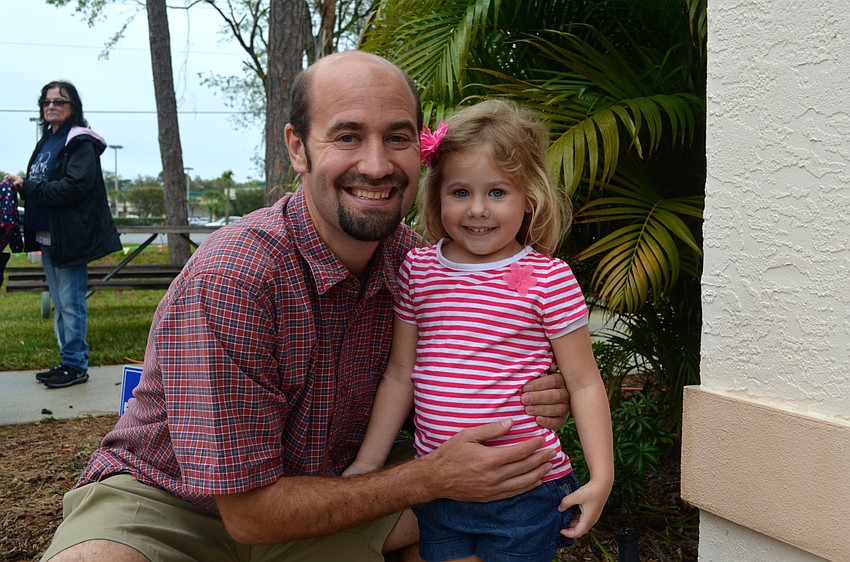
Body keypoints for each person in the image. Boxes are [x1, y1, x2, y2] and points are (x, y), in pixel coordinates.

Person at [39, 52, 571, 562]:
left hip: (333, 491)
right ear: (298, 148)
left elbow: (467, 367)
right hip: (177, 502)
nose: (377, 163)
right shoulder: (236, 276)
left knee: (486, 523)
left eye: (398, 137)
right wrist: (427, 478)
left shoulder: (424, 268)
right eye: (348, 135)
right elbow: (249, 514)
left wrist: (535, 392)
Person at [344, 99, 615, 562]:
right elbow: (400, 372)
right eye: (460, 192)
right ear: (438, 196)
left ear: (528, 198)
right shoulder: (418, 269)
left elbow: (584, 382)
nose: (478, 210)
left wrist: (601, 477)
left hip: (524, 485)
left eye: (497, 193)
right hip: (440, 485)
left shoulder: (548, 278)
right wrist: (369, 463)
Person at [5, 81, 122, 389]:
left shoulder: (79, 142)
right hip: (47, 236)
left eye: (60, 101)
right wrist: (19, 185)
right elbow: (43, 184)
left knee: (71, 303)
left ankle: (76, 365)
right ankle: (67, 361)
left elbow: (74, 186)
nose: (51, 106)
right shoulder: (47, 141)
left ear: (74, 107)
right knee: (60, 302)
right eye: (47, 101)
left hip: (69, 237)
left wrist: (28, 187)